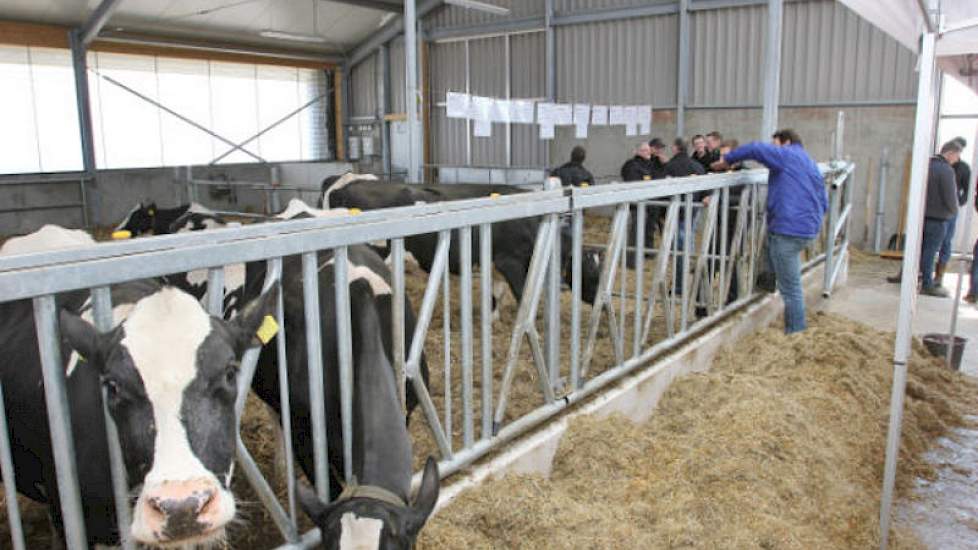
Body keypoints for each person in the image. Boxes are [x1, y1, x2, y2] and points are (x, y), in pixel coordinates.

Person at [712, 129, 827, 334]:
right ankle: (765, 284)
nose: (773, 149)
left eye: (775, 144)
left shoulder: (787, 154)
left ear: (785, 142)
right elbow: (823, 199)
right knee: (769, 242)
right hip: (805, 228)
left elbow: (756, 148)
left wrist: (727, 160)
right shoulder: (808, 161)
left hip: (789, 229)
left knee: (791, 289)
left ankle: (796, 331)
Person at [914, 140, 962, 297]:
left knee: (918, 250)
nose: (957, 159)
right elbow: (950, 198)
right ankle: (927, 284)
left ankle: (912, 278)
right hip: (937, 219)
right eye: (957, 155)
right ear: (950, 153)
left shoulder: (926, 165)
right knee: (930, 252)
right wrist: (954, 211)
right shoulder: (946, 170)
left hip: (921, 217)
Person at [664, 138, 706, 297]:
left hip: (677, 213)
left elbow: (663, 191)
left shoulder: (670, 166)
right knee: (688, 246)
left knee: (680, 250)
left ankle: (681, 286)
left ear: (675, 148)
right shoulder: (697, 166)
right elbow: (705, 188)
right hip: (693, 211)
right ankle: (688, 284)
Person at [935, 136, 971, 284]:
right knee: (930, 241)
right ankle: (919, 273)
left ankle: (939, 275)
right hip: (936, 208)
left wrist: (958, 203)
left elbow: (968, 190)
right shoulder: (939, 164)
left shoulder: (963, 168)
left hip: (950, 211)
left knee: (946, 241)